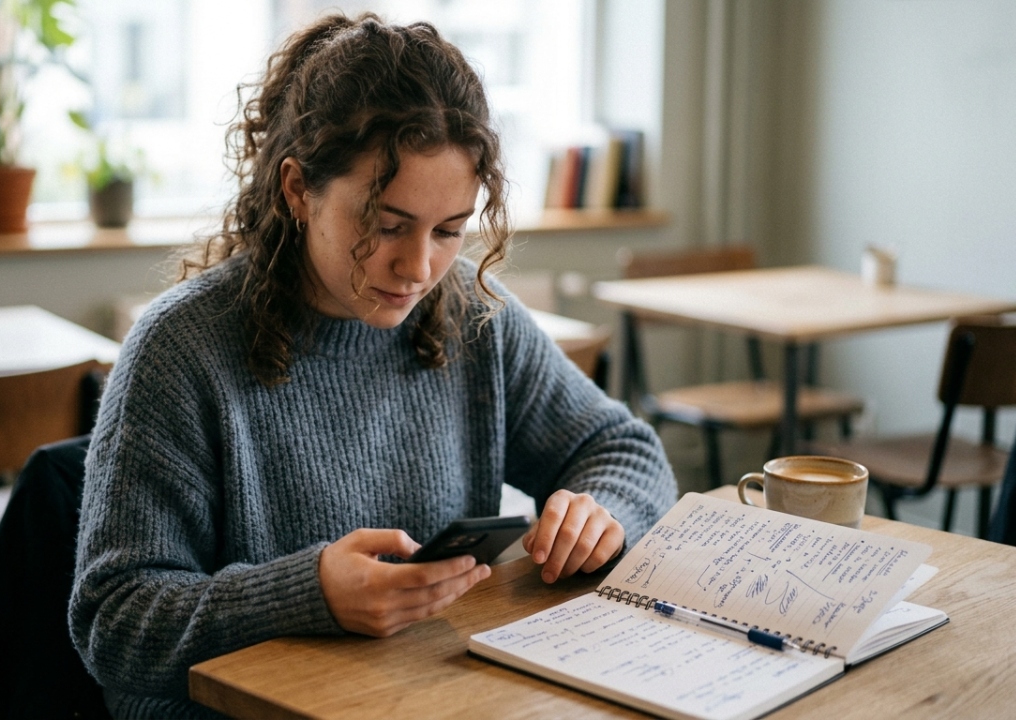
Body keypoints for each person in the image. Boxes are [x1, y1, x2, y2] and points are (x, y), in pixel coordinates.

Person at [70, 13, 676, 718]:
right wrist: (309, 595)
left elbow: (624, 449)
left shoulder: (470, 315)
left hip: (420, 696)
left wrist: (601, 514)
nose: (418, 267)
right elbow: (114, 621)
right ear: (297, 190)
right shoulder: (180, 349)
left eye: (449, 230)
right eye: (387, 225)